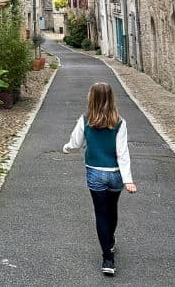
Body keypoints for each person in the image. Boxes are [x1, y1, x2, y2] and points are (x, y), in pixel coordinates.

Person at [62, 82, 137, 276]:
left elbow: (76, 143)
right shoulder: (120, 122)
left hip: (95, 172)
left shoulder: (86, 119)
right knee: (111, 210)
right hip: (115, 175)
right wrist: (128, 179)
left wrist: (66, 148)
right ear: (111, 98)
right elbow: (123, 153)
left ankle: (108, 258)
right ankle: (110, 241)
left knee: (101, 213)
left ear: (91, 98)